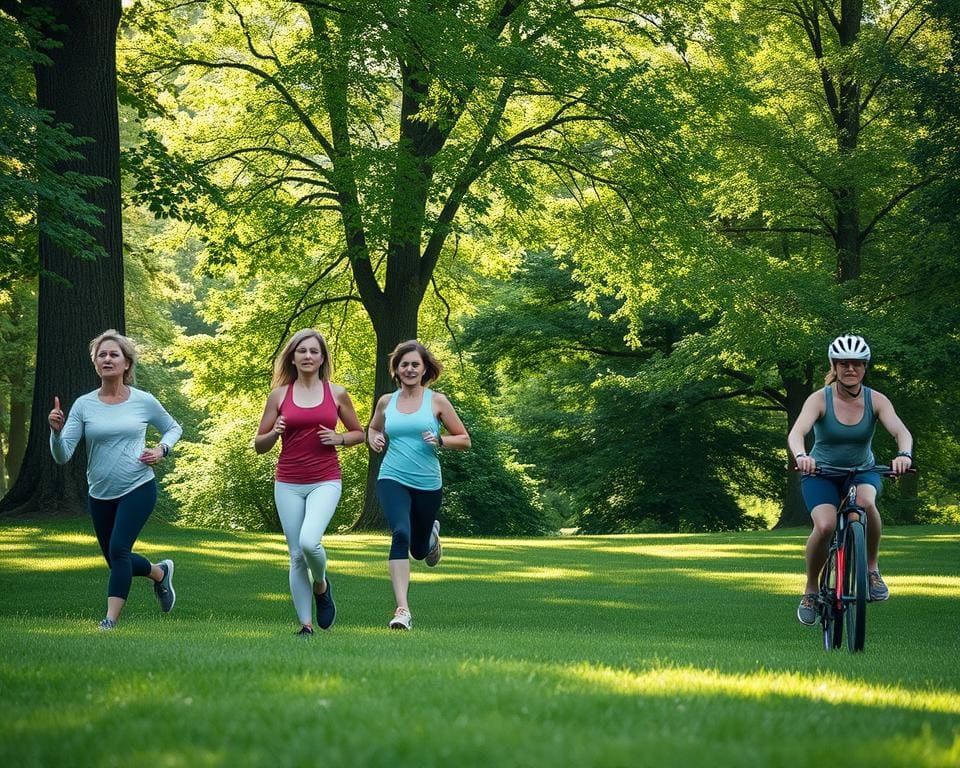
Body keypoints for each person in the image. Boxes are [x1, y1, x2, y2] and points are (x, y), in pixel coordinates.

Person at [48, 329, 183, 631]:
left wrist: (162, 449)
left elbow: (173, 428)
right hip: (100, 493)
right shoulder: (84, 405)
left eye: (114, 354)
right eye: (102, 355)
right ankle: (159, 573)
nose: (107, 359)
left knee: (119, 550)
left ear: (126, 364)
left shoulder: (143, 401)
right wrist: (56, 433)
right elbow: (62, 454)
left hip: (138, 486)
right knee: (115, 559)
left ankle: (109, 621)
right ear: (95, 363)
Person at [787, 334, 913, 626]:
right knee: (826, 525)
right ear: (834, 366)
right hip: (822, 473)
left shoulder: (876, 400)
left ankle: (871, 570)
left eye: (857, 363)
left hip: (862, 471)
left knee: (866, 504)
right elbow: (797, 432)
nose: (850, 369)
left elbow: (901, 431)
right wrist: (802, 455)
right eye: (844, 363)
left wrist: (903, 455)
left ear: (865, 367)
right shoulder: (820, 398)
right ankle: (810, 589)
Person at [254, 328, 364, 636]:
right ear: (292, 356)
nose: (307, 356)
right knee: (295, 554)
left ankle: (322, 585)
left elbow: (360, 433)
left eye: (314, 351)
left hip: (325, 479)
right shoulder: (279, 395)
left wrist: (340, 438)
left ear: (322, 358)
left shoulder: (336, 393)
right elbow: (259, 445)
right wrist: (274, 432)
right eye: (301, 351)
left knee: (308, 542)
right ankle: (305, 624)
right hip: (288, 481)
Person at [366, 340, 471, 630]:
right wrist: (373, 437)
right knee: (400, 532)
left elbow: (464, 438)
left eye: (415, 364)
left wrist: (441, 441)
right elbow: (374, 427)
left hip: (427, 482)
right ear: (396, 370)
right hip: (392, 476)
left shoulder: (437, 401)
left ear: (424, 369)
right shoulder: (386, 402)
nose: (410, 369)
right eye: (404, 364)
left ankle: (431, 537)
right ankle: (402, 610)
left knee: (420, 551)